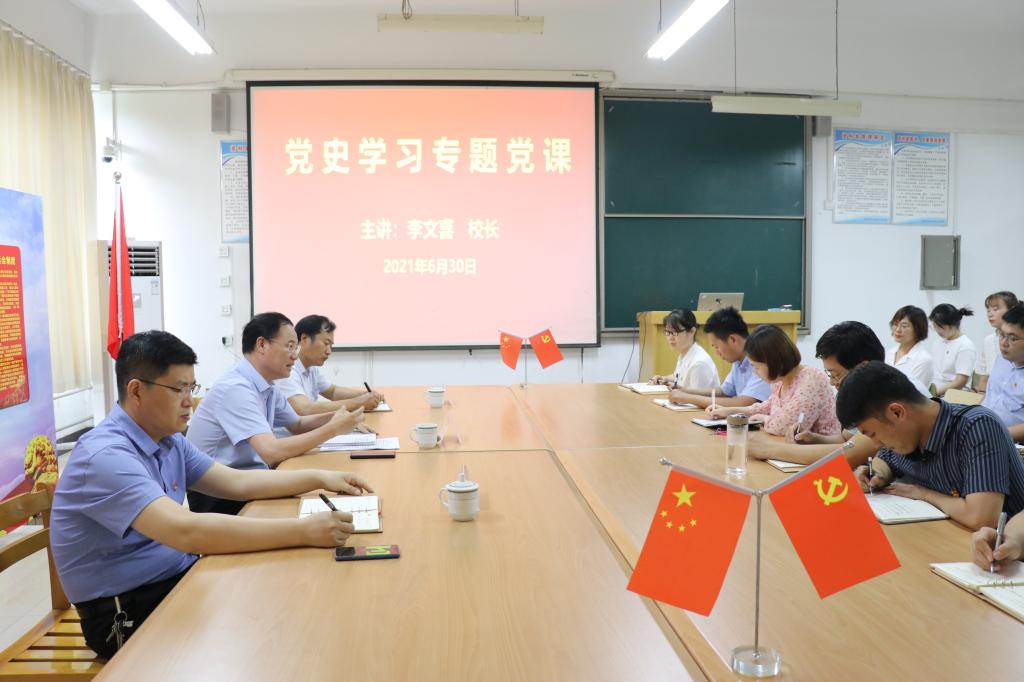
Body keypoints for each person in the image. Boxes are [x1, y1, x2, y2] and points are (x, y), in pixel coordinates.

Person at [50, 331, 373, 659]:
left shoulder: (168, 439)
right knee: (270, 625)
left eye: (191, 388)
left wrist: (320, 477)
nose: (188, 401)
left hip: (177, 578)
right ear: (136, 390)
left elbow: (239, 483)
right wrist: (303, 531)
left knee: (284, 591)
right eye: (178, 389)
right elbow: (186, 531)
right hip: (124, 612)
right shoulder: (105, 455)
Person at [186, 312, 365, 514]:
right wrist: (333, 429)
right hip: (218, 495)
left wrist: (340, 418)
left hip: (250, 479)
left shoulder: (267, 385)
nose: (295, 355)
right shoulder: (235, 388)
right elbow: (271, 453)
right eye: (289, 346)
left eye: (295, 347)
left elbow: (297, 424)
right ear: (262, 345)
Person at [836, 361, 1024, 531]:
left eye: (873, 434)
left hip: (1003, 551)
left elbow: (982, 518)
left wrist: (924, 494)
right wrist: (877, 474)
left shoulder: (977, 427)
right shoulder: (908, 434)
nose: (877, 444)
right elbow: (886, 458)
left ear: (897, 412)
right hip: (947, 537)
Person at [749, 321, 920, 466]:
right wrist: (813, 438)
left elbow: (850, 454)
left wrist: (769, 449)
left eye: (836, 374)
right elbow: (846, 439)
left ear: (863, 367)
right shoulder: (859, 393)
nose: (831, 382)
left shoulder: (888, 394)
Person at [707, 324, 840, 437]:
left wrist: (763, 419)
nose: (755, 372)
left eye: (756, 367)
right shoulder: (780, 380)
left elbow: (785, 427)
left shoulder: (812, 380)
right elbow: (768, 406)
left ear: (772, 361)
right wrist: (731, 411)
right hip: (791, 449)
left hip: (821, 455)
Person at [276, 314, 384, 415]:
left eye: (331, 346)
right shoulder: (288, 370)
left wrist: (364, 395)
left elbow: (333, 392)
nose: (329, 351)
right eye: (326, 343)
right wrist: (358, 402)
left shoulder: (311, 369)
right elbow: (305, 409)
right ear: (304, 339)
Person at [667, 306, 770, 409]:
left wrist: (687, 398)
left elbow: (743, 403)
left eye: (716, 346)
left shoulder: (760, 359)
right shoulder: (738, 361)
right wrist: (686, 391)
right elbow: (723, 392)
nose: (716, 352)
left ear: (733, 340)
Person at [648, 308, 720, 392]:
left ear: (692, 331)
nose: (670, 338)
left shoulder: (699, 364)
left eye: (674, 332)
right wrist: (664, 378)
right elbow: (679, 377)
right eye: (668, 332)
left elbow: (696, 397)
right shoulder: (685, 353)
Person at [982, 303, 1024, 441]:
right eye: (1002, 335)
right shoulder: (1002, 359)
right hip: (982, 431)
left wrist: (995, 435)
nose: (1003, 343)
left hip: (1010, 443)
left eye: (1012, 338)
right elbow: (990, 397)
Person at [975, 291, 1019, 393]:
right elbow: (983, 378)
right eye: (988, 310)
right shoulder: (988, 340)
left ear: (1012, 310)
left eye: (995, 309)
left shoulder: (1019, 339)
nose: (990, 314)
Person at [929, 303, 976, 396]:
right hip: (934, 391)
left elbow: (960, 382)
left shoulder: (965, 346)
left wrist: (933, 393)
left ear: (952, 324)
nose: (938, 331)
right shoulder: (937, 343)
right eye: (935, 327)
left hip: (954, 395)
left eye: (940, 327)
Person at [885, 305, 933, 389]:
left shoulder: (924, 359)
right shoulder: (889, 353)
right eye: (895, 324)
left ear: (918, 329)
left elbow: (912, 391)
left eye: (904, 326)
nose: (898, 330)